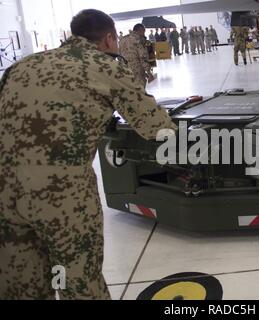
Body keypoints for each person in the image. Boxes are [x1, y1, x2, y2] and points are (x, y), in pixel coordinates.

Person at [0, 9, 177, 300]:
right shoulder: (104, 66)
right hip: (59, 195)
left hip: (6, 193)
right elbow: (156, 128)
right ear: (109, 39)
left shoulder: (21, 67)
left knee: (22, 283)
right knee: (76, 277)